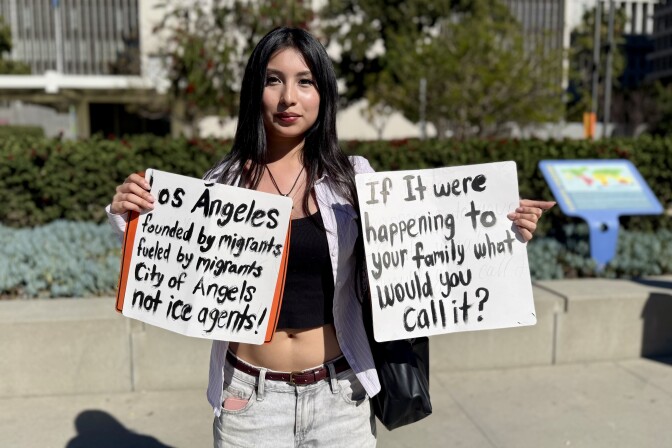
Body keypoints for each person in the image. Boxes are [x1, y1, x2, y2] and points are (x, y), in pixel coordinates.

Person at [107, 27, 554, 447]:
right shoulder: (222, 182)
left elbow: (427, 243)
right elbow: (173, 257)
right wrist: (128, 213)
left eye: (305, 82)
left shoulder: (354, 178)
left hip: (341, 395)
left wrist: (500, 230)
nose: (288, 98)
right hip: (249, 399)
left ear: (324, 93)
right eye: (273, 80)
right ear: (253, 92)